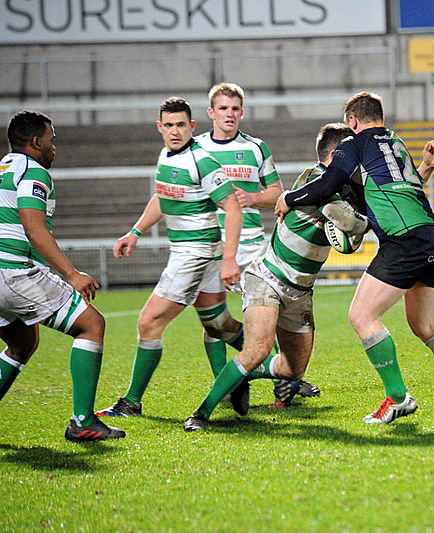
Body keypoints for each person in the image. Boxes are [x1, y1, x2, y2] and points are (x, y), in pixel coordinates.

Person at [274, 92, 434, 424]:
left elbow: (326, 185)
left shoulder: (354, 143)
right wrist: (425, 167)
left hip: (405, 241)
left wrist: (290, 197)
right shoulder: (396, 143)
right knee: (426, 325)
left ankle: (398, 397)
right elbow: (402, 191)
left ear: (352, 121)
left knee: (362, 316)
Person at [184, 123, 370, 430]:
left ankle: (239, 376)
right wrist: (363, 221)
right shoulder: (314, 180)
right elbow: (352, 223)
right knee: (256, 350)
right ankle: (200, 414)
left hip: (301, 290)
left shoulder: (347, 188)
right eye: (354, 152)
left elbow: (372, 213)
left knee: (291, 371)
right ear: (338, 153)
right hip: (267, 278)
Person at [97, 97, 244, 418]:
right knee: (219, 324)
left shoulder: (202, 161)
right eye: (169, 125)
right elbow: (163, 197)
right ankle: (270, 366)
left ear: (192, 126)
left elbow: (232, 208)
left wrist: (231, 259)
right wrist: (134, 232)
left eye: (180, 125)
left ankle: (131, 402)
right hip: (200, 252)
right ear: (159, 127)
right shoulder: (166, 156)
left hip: (194, 254)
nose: (175, 131)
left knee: (148, 323)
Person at [0, 110, 124, 441]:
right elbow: (33, 227)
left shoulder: (4, 167)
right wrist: (71, 273)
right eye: (51, 140)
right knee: (91, 324)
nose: (54, 146)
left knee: (22, 343)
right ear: (35, 142)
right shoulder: (33, 171)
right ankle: (83, 421)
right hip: (13, 272)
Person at [196, 82, 320, 409]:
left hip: (250, 245)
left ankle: (284, 378)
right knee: (213, 322)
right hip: (211, 245)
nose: (229, 114)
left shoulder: (255, 147)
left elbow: (277, 193)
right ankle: (227, 385)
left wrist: (252, 197)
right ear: (211, 112)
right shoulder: (196, 150)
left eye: (235, 108)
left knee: (269, 316)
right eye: (223, 108)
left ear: (242, 112)